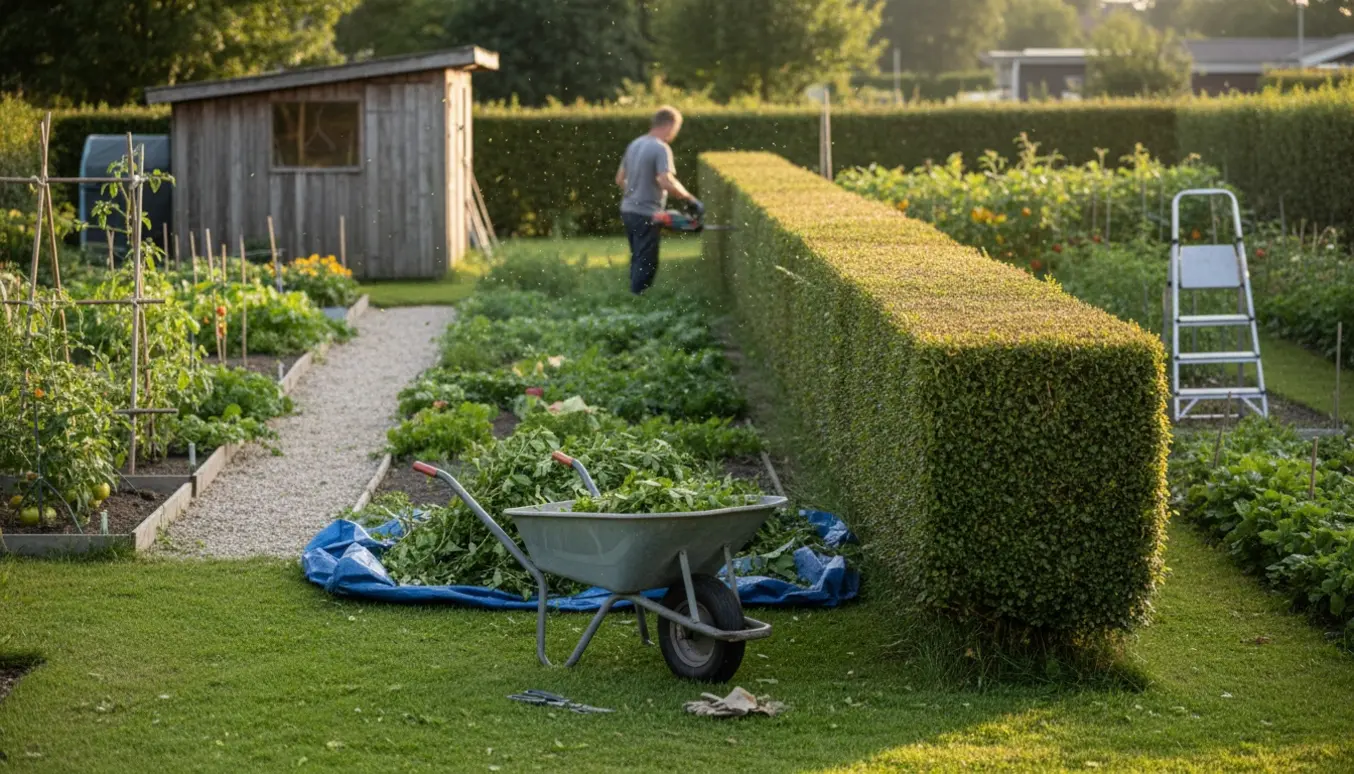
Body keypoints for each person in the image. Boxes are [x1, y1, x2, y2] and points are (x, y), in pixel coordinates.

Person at [616, 106, 702, 295]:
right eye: (676, 129)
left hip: (628, 210)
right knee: (647, 261)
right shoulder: (660, 148)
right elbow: (665, 180)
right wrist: (690, 198)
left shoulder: (634, 144)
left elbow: (620, 179)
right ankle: (639, 299)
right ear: (670, 125)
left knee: (637, 256)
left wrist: (635, 193)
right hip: (646, 213)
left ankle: (633, 296)